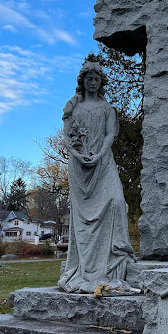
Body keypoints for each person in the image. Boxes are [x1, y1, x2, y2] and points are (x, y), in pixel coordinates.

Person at [58, 61, 136, 294]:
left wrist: (99, 155)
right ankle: (85, 270)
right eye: (89, 78)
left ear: (102, 82)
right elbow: (66, 136)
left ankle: (113, 264)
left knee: (116, 202)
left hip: (103, 163)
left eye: (97, 79)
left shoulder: (108, 109)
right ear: (82, 81)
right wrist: (78, 155)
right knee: (82, 221)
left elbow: (110, 135)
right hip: (80, 168)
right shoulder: (72, 106)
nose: (93, 82)